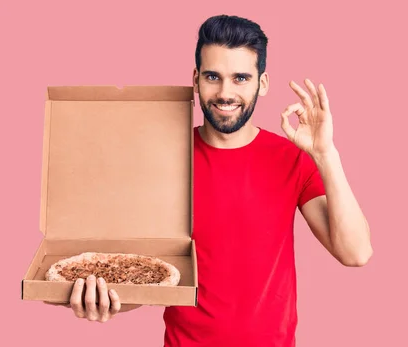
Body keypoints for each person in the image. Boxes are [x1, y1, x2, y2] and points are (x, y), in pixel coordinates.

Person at [48, 14, 373, 346]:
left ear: (262, 83)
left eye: (241, 78)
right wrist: (105, 300)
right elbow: (154, 275)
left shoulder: (291, 159)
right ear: (195, 79)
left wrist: (326, 154)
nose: (225, 92)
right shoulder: (164, 161)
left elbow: (356, 252)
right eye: (213, 77)